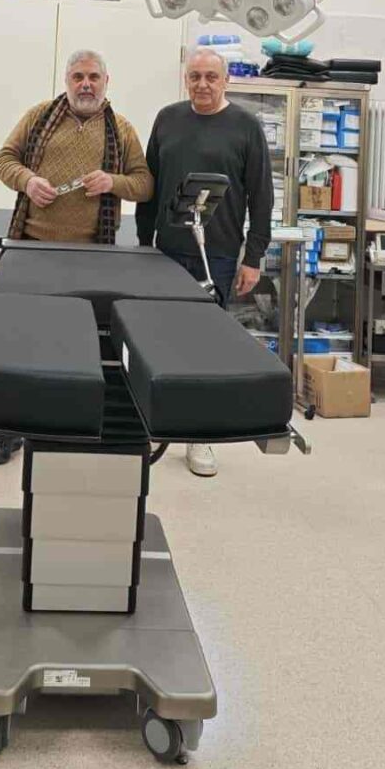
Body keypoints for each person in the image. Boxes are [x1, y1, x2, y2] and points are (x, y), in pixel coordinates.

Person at [0, 49, 154, 464]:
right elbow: (2, 160)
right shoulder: (38, 116)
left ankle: (65, 422)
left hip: (92, 257)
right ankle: (8, 429)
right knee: (19, 340)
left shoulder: (122, 130)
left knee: (76, 346)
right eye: (78, 76)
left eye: (93, 77)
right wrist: (27, 181)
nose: (86, 84)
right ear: (67, 80)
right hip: (32, 248)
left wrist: (112, 181)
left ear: (106, 82)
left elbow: (145, 184)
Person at [136, 47, 273, 479]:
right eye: (195, 76)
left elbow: (262, 197)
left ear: (225, 80)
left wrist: (253, 256)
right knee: (159, 340)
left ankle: (199, 435)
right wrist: (143, 242)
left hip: (218, 252)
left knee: (204, 345)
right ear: (186, 79)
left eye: (211, 77)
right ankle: (158, 422)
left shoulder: (246, 127)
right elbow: (150, 186)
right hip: (165, 249)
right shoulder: (167, 119)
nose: (202, 84)